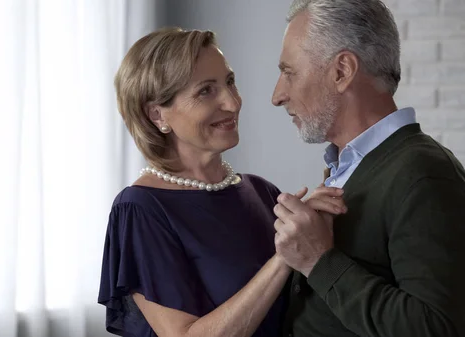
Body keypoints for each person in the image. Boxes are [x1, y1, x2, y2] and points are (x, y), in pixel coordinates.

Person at [97, 27, 346, 337]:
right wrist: (283, 258)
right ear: (157, 115)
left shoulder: (261, 191)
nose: (232, 102)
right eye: (206, 91)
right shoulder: (139, 210)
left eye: (229, 82)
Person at [270, 1, 465, 336]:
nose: (277, 95)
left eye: (289, 72)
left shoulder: (424, 175)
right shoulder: (348, 167)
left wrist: (319, 261)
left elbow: (438, 327)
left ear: (342, 71)